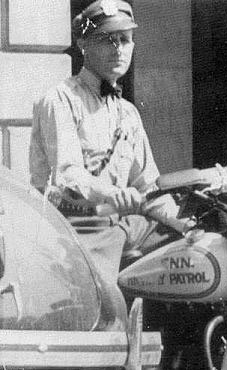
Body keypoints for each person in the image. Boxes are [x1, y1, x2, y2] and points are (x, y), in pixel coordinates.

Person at [30, 0, 184, 286]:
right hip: (77, 228)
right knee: (109, 317)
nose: (119, 49)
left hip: (123, 227)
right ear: (83, 44)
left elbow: (147, 185)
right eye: (108, 40)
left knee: (191, 253)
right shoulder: (60, 100)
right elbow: (68, 175)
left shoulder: (128, 113)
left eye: (125, 40)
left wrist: (183, 222)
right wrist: (113, 194)